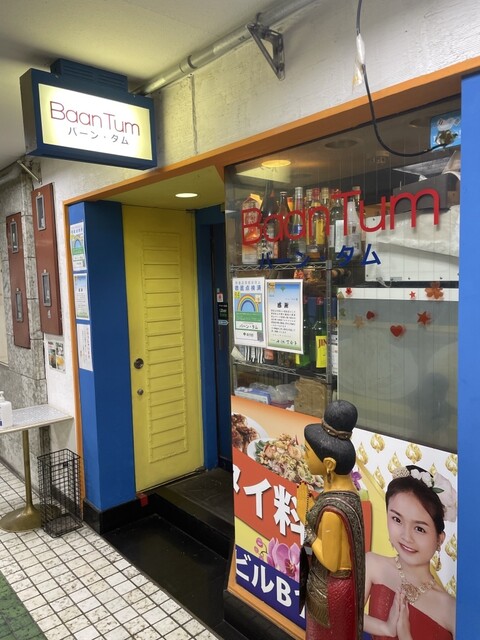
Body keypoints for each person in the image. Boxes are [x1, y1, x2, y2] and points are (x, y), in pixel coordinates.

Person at [297, 399, 365, 640]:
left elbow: (331, 561)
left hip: (332, 591)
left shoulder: (332, 512)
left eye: (307, 451)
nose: (304, 456)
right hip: (332, 588)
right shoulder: (345, 492)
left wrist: (306, 522)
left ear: (328, 463)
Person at [364, 465, 456, 639]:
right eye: (397, 519)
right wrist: (386, 628)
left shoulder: (451, 610)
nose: (406, 536)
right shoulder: (373, 565)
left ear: (439, 539)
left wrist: (405, 635)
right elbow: (344, 616)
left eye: (419, 529)